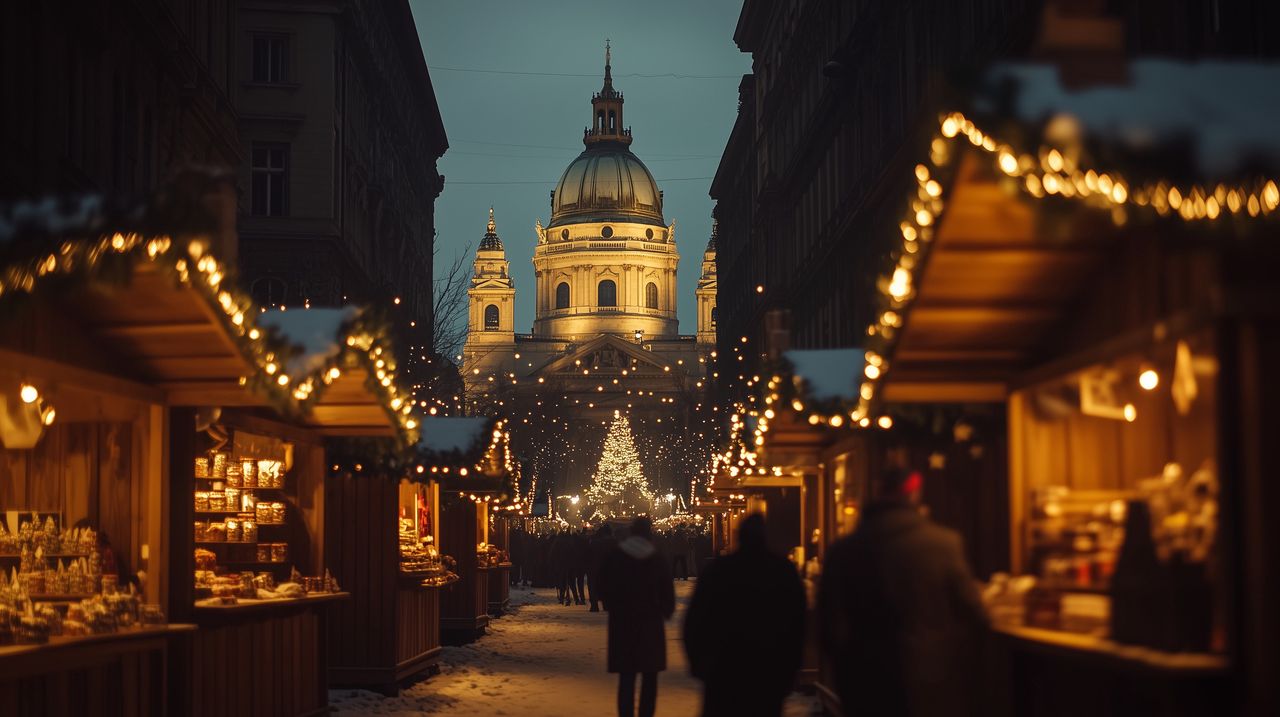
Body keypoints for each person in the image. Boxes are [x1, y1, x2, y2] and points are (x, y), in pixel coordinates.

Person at [818, 467, 988, 717]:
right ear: (915, 496)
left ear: (877, 493)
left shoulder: (843, 551)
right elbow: (973, 612)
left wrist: (844, 667)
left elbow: (828, 623)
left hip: (862, 675)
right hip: (929, 674)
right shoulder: (943, 543)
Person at [683, 513, 805, 717]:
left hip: (723, 670)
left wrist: (700, 665)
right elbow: (797, 623)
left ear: (739, 536)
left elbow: (695, 621)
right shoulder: (782, 571)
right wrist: (790, 668)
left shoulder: (718, 570)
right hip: (768, 671)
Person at [600, 516, 675, 717]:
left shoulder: (616, 556)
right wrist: (665, 610)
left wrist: (613, 606)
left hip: (623, 622)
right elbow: (667, 592)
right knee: (650, 678)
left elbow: (604, 585)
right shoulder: (657, 558)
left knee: (626, 676)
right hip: (650, 623)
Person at [587, 524, 618, 612]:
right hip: (609, 568)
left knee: (593, 586)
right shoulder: (614, 542)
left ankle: (594, 605)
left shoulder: (595, 542)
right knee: (608, 585)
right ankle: (607, 604)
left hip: (595, 567)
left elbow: (588, 555)